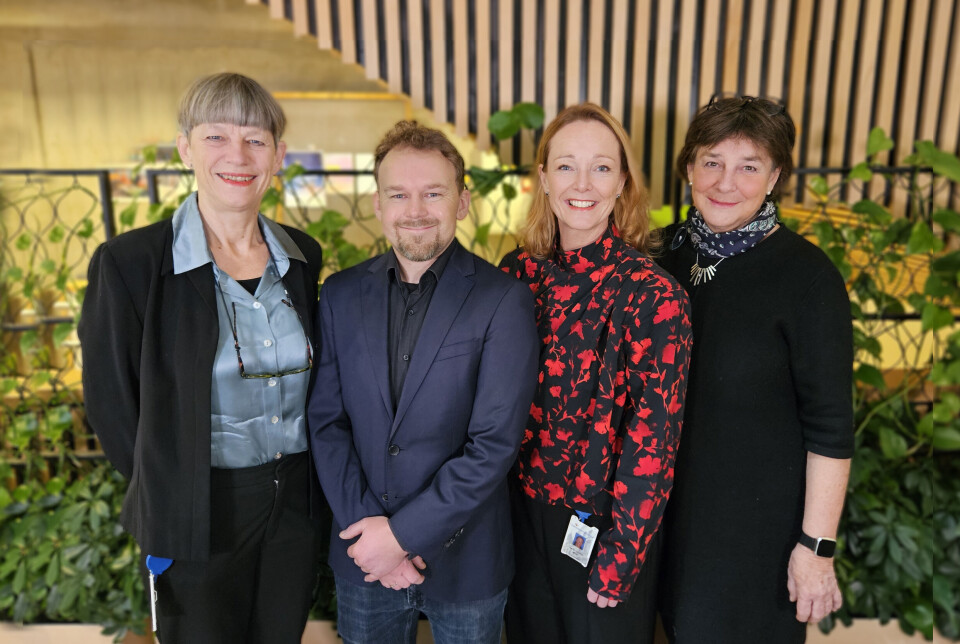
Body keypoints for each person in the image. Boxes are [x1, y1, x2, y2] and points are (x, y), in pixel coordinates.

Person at [79, 73, 324, 643]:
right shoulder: (131, 263)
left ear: (277, 155)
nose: (237, 154)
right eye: (216, 137)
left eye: (255, 139)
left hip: (294, 505)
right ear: (186, 147)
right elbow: (113, 405)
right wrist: (170, 479)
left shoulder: (302, 256)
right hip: (195, 510)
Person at [308, 120, 538, 644]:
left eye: (434, 193)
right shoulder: (340, 296)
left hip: (467, 558)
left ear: (461, 201)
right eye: (399, 194)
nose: (415, 211)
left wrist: (401, 537)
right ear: (378, 205)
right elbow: (327, 422)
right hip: (363, 552)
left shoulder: (503, 300)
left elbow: (493, 445)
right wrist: (372, 536)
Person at [656, 95, 854, 643]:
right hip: (662, 528)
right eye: (712, 161)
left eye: (749, 167)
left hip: (753, 541)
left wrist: (816, 548)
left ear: (774, 178)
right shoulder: (661, 257)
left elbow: (831, 427)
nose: (726, 182)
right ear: (689, 167)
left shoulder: (807, 277)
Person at [499, 103, 693, 644]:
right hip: (518, 518)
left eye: (602, 167)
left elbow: (654, 436)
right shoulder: (516, 276)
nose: (582, 183)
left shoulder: (654, 296)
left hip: (604, 526)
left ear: (623, 181)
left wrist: (621, 555)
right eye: (565, 166)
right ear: (542, 177)